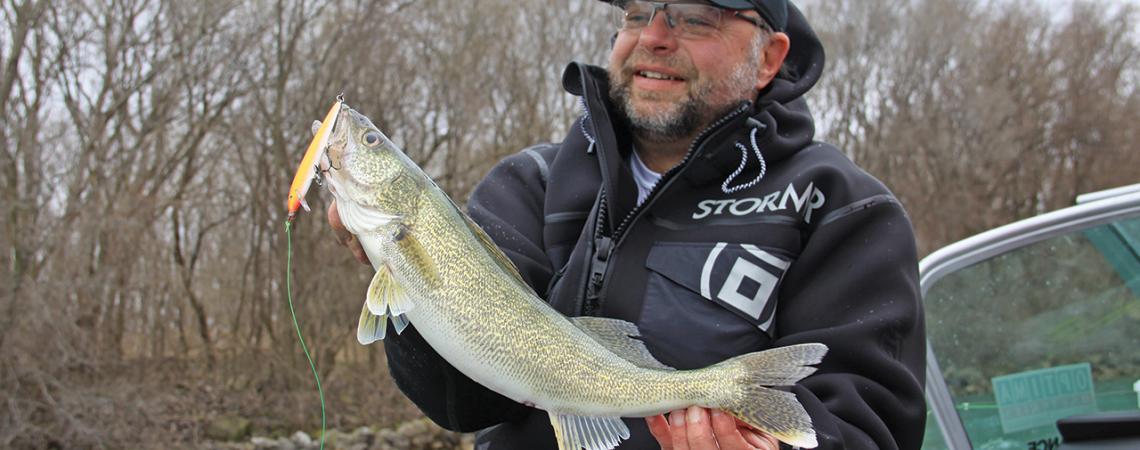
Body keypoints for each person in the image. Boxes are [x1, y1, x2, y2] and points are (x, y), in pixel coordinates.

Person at [329, 0, 926, 448]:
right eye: (638, 12)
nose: (655, 38)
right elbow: (461, 401)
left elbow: (871, 424)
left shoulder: (842, 207)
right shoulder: (528, 183)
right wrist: (396, 267)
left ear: (768, 56)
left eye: (694, 16)